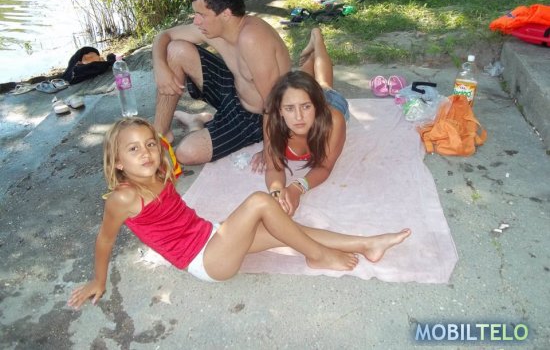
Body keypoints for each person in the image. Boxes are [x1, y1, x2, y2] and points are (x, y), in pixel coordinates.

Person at [67, 118, 411, 309]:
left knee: (286, 230)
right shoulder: (123, 197)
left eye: (150, 144)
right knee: (260, 202)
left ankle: (367, 243)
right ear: (117, 162)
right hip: (205, 261)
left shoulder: (159, 172)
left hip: (211, 235)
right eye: (133, 149)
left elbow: (174, 215)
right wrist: (99, 280)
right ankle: (318, 255)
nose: (146, 153)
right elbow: (104, 240)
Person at [152, 0, 291, 165]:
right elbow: (164, 35)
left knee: (187, 153)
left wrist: (270, 148)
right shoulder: (215, 28)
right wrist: (160, 67)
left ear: (225, 14)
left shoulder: (252, 38)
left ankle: (196, 123)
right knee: (175, 50)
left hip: (256, 116)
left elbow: (273, 101)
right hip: (234, 89)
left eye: (202, 15)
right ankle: (159, 135)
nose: (196, 21)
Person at [260, 28, 349, 216]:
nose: (299, 117)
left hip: (331, 103)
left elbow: (324, 166)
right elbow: (273, 167)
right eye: (289, 109)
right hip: (304, 95)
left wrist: (296, 188)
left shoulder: (334, 120)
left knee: (324, 85)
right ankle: (310, 57)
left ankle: (318, 40)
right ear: (280, 110)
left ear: (316, 106)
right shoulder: (271, 116)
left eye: (306, 107)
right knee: (297, 83)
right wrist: (276, 194)